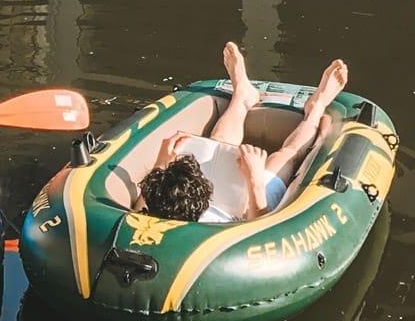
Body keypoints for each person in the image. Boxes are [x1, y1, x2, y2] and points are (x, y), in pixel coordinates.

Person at [136, 43, 348, 224]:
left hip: (186, 202)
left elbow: (143, 207)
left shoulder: (153, 214)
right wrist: (254, 179)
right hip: (243, 210)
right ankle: (316, 108)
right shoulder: (217, 230)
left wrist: (162, 162)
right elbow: (258, 227)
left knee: (218, 144)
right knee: (284, 156)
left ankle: (242, 97)